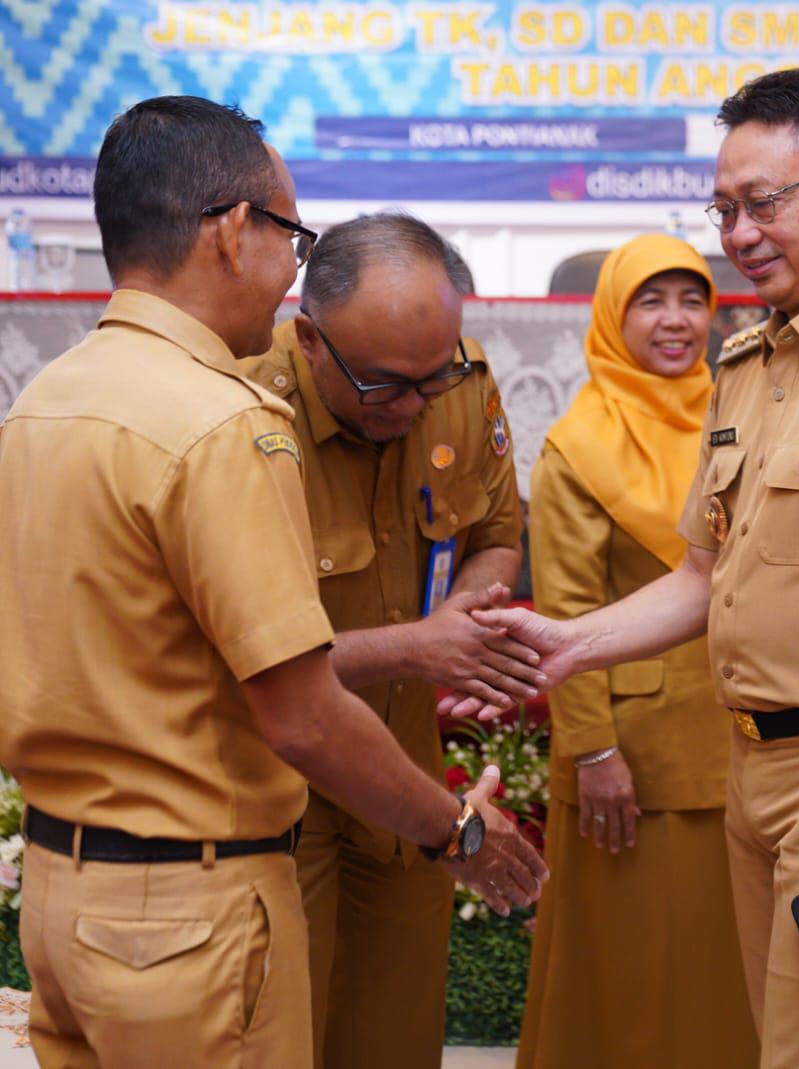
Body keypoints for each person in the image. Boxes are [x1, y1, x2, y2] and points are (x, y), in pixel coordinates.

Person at [446, 69, 799, 1068]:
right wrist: (568, 643)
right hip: (752, 761)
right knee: (781, 1042)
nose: (739, 232)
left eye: (765, 203)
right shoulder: (749, 364)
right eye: (725, 208)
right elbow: (703, 578)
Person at [0, 96, 545, 1069]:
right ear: (235, 231)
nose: (289, 267)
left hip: (66, 889)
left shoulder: (44, 406)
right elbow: (298, 712)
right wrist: (459, 827)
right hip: (195, 906)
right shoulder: (225, 424)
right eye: (289, 237)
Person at [241, 211, 534, 1069]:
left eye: (429, 380)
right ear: (311, 339)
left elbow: (497, 538)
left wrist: (469, 625)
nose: (412, 406)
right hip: (277, 789)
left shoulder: (463, 384)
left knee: (398, 1038)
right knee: (283, 1038)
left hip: (404, 778)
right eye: (384, 386)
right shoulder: (246, 410)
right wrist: (420, 645)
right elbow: (239, 658)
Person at [515, 234, 759, 1069]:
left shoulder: (736, 415)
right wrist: (593, 749)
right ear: (614, 316)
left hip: (740, 733)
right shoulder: (577, 445)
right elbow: (567, 610)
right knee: (625, 975)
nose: (676, 320)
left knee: (721, 968)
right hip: (633, 759)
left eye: (692, 300)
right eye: (650, 301)